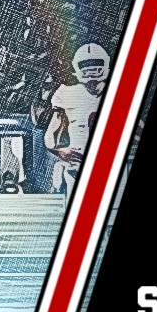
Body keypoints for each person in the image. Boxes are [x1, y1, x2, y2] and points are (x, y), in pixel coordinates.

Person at [44, 43, 110, 197]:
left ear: (105, 64)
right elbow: (50, 134)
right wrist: (60, 151)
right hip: (77, 165)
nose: (91, 69)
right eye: (86, 64)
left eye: (96, 63)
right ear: (77, 68)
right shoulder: (67, 93)